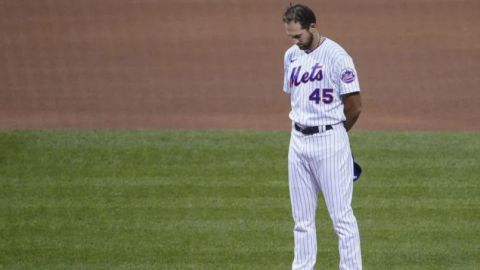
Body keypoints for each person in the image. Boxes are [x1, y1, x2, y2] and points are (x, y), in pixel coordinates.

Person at [282, 4, 363, 270]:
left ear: (312, 27)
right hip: (298, 142)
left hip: (330, 141)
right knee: (302, 220)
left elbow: (354, 106)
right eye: (291, 36)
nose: (295, 42)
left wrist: (336, 133)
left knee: (341, 218)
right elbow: (295, 96)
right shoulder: (291, 56)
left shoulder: (337, 56)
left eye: (298, 36)